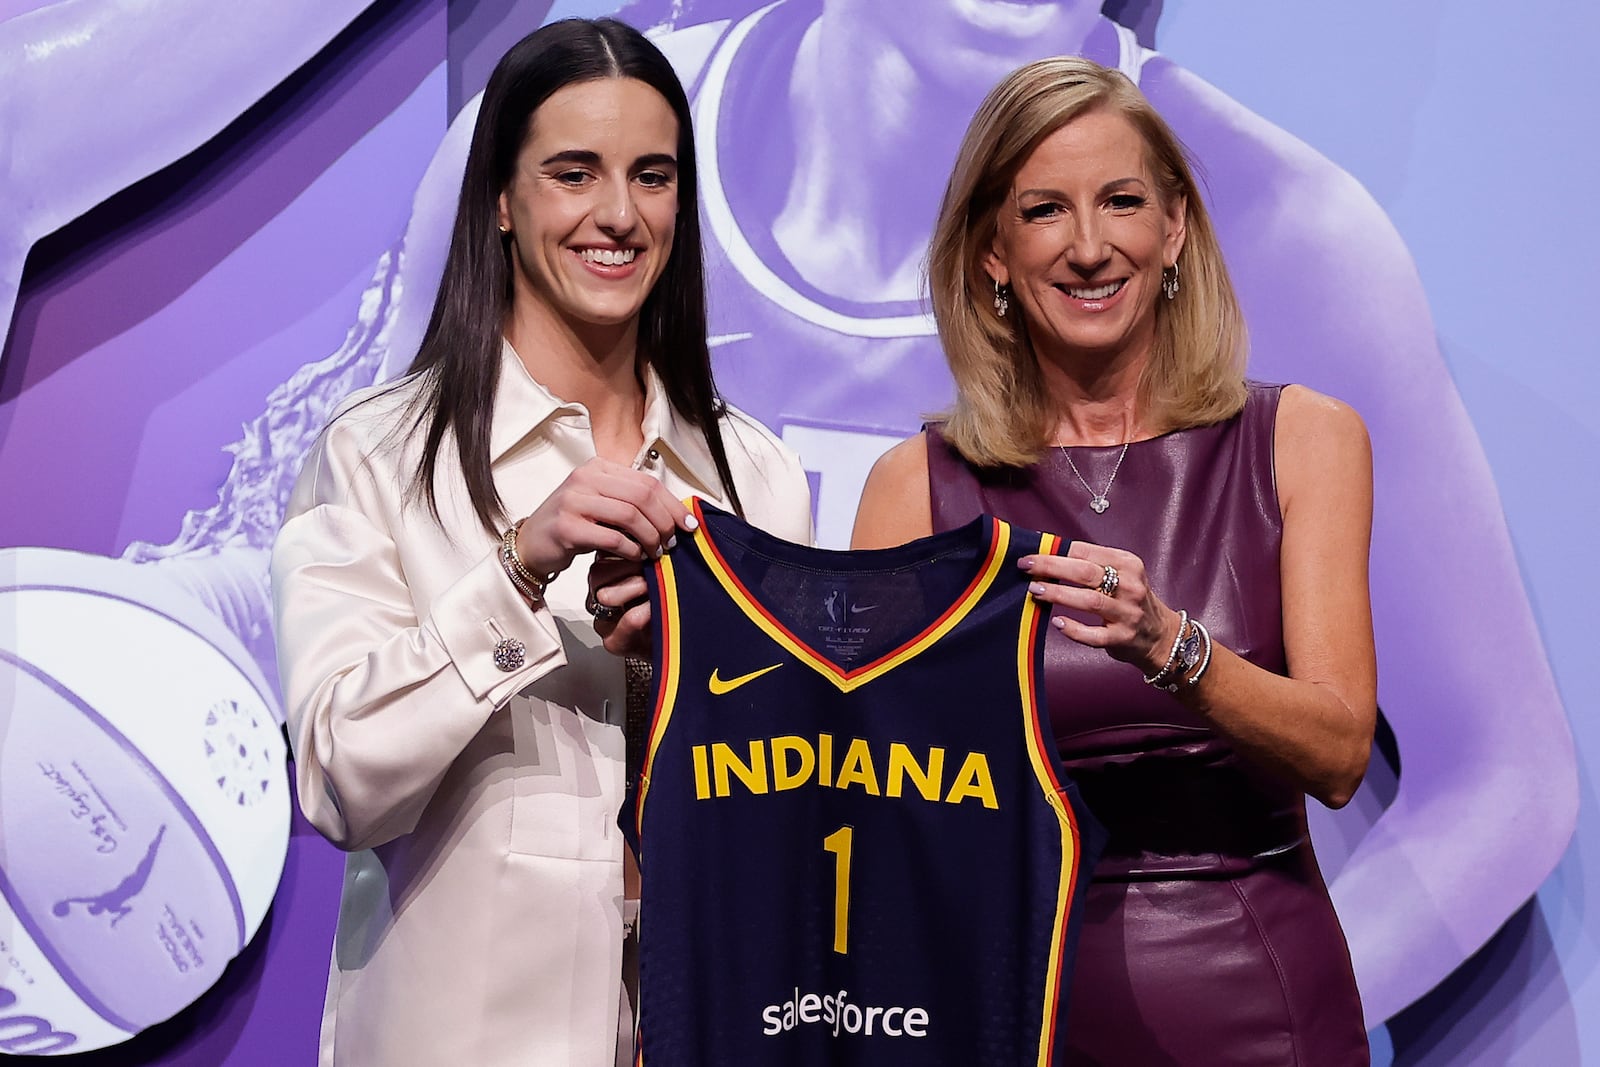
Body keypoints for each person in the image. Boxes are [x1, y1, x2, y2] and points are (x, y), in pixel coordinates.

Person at [269, 18, 812, 1066]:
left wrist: (683, 666)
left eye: (651, 177)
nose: (618, 214)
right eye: (574, 173)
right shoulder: (380, 454)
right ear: (503, 204)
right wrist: (518, 565)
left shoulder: (754, 475)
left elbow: (792, 808)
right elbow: (340, 779)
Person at [853, 57, 1373, 1063]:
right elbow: (868, 798)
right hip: (1003, 1008)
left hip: (1260, 1007)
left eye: (1122, 202)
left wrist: (1170, 646)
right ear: (990, 253)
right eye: (1044, 210)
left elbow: (1340, 751)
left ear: (1173, 228)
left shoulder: (1303, 438)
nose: (1090, 247)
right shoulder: (911, 487)